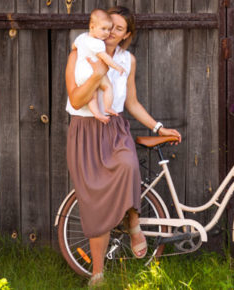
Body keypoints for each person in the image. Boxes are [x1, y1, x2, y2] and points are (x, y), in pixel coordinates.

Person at [65, 6, 181, 286]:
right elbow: (77, 100)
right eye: (108, 27)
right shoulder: (79, 51)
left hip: (114, 128)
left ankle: (134, 224)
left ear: (127, 34)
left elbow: (131, 103)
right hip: (84, 130)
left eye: (118, 28)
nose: (110, 33)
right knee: (94, 200)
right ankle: (98, 273)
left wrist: (158, 127)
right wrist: (96, 75)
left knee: (129, 165)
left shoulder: (128, 60)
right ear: (98, 28)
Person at [72, 8, 125, 123]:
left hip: (80, 74)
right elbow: (105, 58)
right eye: (104, 29)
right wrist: (117, 66)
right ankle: (107, 107)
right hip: (92, 71)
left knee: (92, 94)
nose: (107, 32)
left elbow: (73, 46)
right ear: (92, 27)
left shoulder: (82, 37)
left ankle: (96, 113)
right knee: (108, 87)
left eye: (108, 29)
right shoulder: (98, 43)